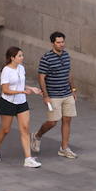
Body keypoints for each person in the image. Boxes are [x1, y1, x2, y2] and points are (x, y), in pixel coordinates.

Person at [0, 46, 44, 167]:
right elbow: (5, 90)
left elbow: (21, 84)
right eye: (19, 56)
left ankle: (28, 159)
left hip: (22, 102)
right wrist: (22, 92)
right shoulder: (6, 70)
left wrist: (31, 89)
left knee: (25, 128)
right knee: (5, 130)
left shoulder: (21, 68)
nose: (22, 58)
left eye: (22, 55)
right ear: (12, 58)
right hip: (7, 103)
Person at [32, 31, 78, 159]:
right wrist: (45, 96)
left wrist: (73, 90)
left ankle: (64, 148)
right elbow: (41, 78)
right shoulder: (46, 58)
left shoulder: (66, 55)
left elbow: (69, 74)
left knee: (67, 120)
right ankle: (37, 135)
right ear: (53, 43)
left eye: (62, 42)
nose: (61, 44)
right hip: (53, 95)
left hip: (67, 94)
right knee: (52, 122)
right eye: (58, 42)